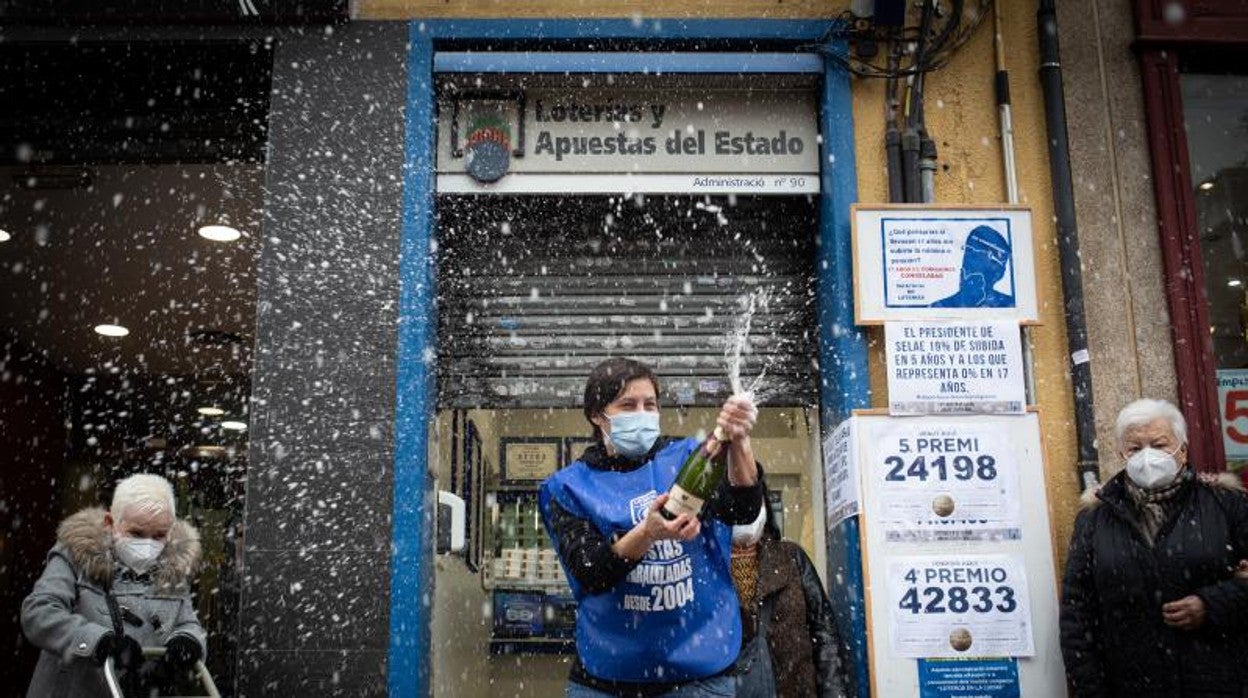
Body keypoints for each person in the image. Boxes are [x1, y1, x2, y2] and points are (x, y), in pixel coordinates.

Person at [539, 357, 763, 697]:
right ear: (598, 415)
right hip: (607, 682)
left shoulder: (690, 455)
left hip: (700, 678)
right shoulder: (567, 488)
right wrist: (647, 533)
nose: (642, 413)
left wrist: (739, 441)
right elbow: (592, 572)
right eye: (628, 405)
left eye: (650, 404)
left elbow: (742, 508)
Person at [1059, 398, 1248, 697]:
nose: (1147, 457)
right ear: (1123, 454)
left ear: (1182, 450)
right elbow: (1077, 613)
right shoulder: (1096, 518)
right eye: (1135, 449)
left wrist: (1214, 604)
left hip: (1219, 681)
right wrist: (1089, 690)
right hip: (1131, 685)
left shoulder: (1226, 504)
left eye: (1159, 445)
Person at [22, 472, 207, 697]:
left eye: (159, 535)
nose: (147, 544)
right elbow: (39, 612)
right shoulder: (77, 555)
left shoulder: (174, 566)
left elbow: (187, 622)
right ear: (110, 523)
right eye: (136, 533)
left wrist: (187, 642)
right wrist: (97, 641)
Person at [729, 484, 850, 697]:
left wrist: (834, 693)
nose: (743, 510)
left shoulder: (791, 557)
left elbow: (825, 636)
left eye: (750, 501)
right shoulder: (705, 569)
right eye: (734, 503)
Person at [930, 224, 1015, 308]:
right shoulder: (938, 308)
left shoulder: (1011, 306)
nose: (967, 261)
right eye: (968, 251)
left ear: (998, 273)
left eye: (976, 256)